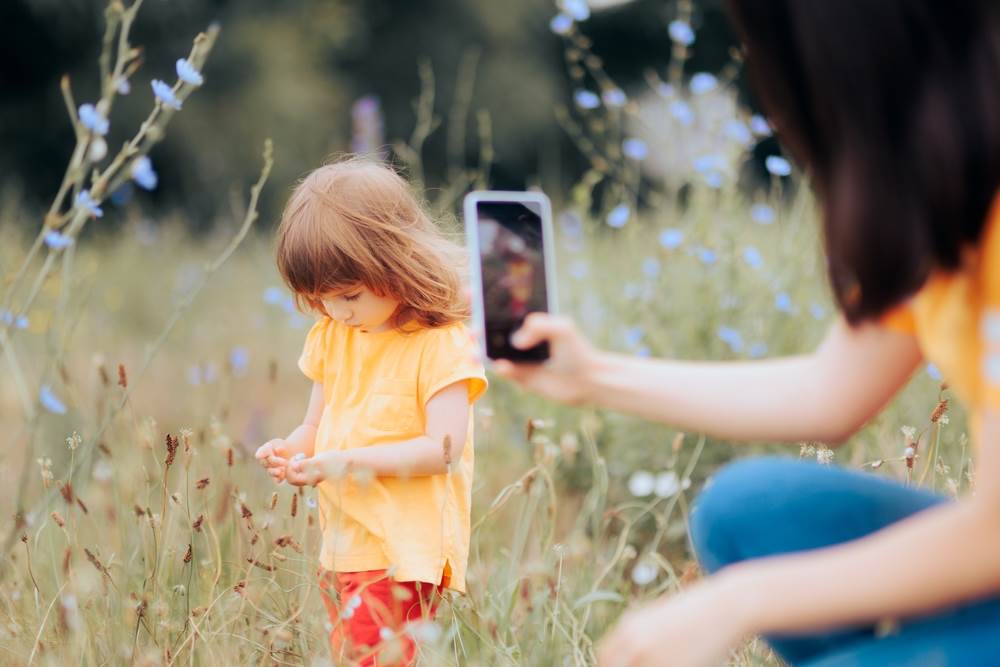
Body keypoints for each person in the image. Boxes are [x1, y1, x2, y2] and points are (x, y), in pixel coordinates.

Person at [494, 1, 1000, 665]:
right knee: (751, 505)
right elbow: (829, 393)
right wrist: (591, 374)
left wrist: (739, 600)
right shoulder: (947, 193)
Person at [254, 156, 488, 666]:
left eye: (348, 295)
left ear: (394, 262)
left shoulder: (440, 344)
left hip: (403, 549)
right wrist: (295, 450)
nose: (337, 311)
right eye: (319, 300)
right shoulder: (334, 336)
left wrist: (342, 463)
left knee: (373, 656)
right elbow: (318, 424)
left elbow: (442, 450)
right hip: (344, 539)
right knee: (356, 654)